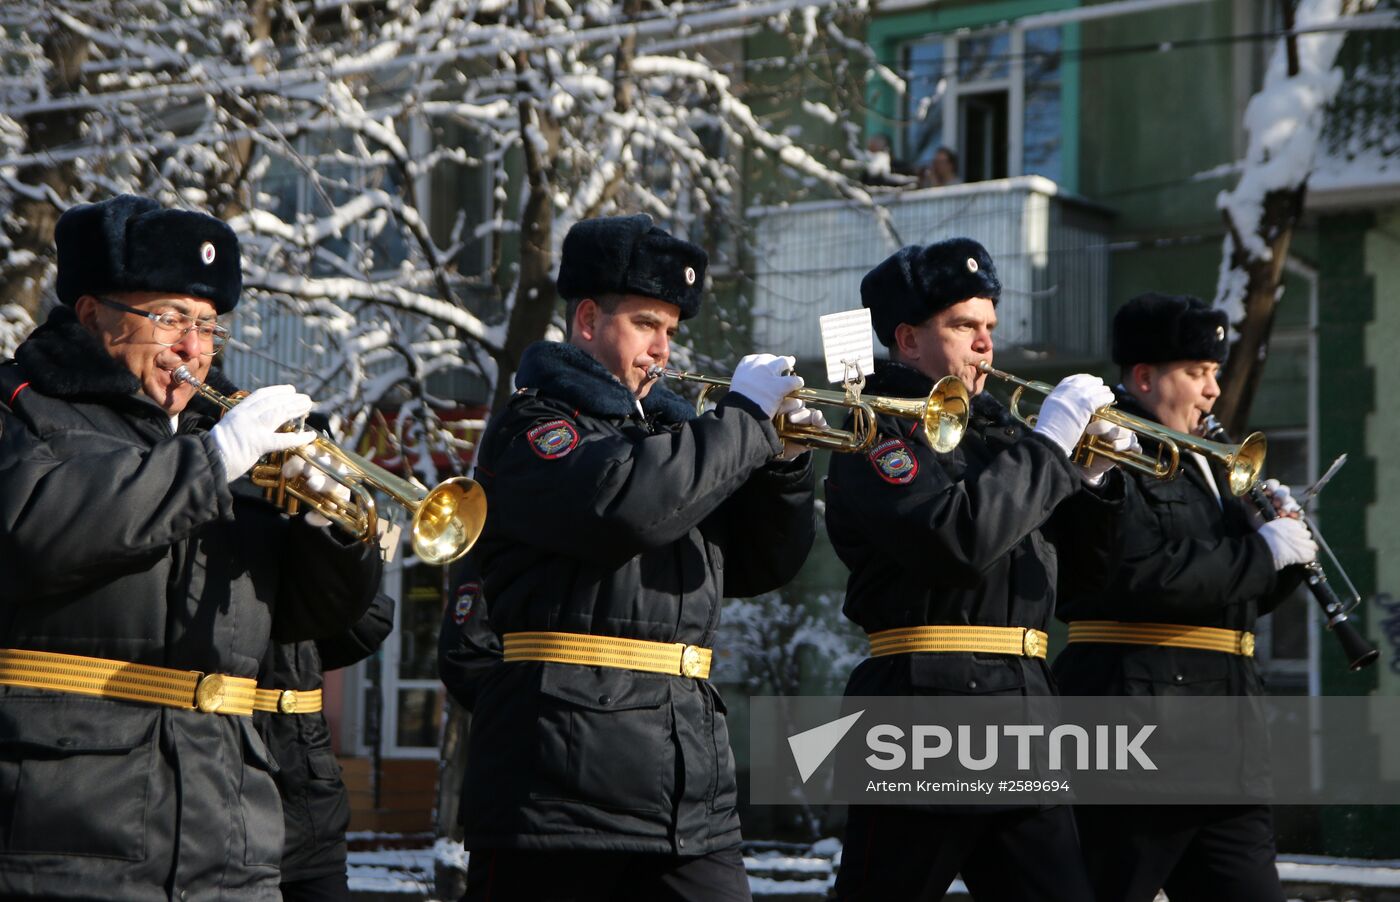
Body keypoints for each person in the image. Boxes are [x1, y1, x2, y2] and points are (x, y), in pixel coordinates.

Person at [0, 194, 383, 900]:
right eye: (170, 318)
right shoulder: (22, 408)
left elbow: (316, 626)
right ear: (92, 315)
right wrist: (212, 463)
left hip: (230, 842)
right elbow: (31, 532)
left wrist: (331, 530)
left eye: (208, 324)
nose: (194, 349)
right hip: (63, 841)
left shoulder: (223, 439)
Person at [454, 213, 819, 901]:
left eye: (672, 332)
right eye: (648, 324)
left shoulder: (676, 440)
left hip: (690, 786)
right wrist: (742, 423)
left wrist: (784, 469)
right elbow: (626, 505)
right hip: (558, 793)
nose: (663, 350)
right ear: (588, 320)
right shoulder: (536, 426)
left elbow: (758, 564)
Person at [825, 237, 1133, 901]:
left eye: (990, 327)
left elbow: (1084, 585)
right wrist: (1050, 449)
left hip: (1023, 710)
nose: (986, 344)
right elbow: (956, 541)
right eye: (964, 326)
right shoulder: (872, 430)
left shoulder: (1002, 437)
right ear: (907, 341)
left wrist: (1097, 483)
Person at [1053, 293, 1317, 902]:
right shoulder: (1108, 449)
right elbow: (1141, 575)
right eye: (1197, 373)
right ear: (1144, 377)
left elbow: (1220, 606)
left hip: (1225, 740)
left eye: (1215, 374)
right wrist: (1260, 554)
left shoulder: (1203, 461)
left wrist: (1283, 552)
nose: (1212, 392)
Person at [257, 591, 396, 902]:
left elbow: (370, 624)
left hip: (311, 796)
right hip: (231, 776)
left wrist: (340, 560)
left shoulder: (305, 564)